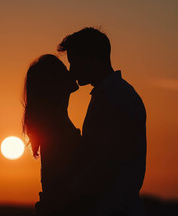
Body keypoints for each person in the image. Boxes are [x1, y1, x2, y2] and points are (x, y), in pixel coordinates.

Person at [57, 27, 147, 216]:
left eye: (74, 62)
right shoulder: (107, 95)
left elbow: (106, 162)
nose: (72, 71)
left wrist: (66, 196)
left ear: (92, 57)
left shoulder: (118, 97)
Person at [22, 54, 82, 216]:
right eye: (64, 70)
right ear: (53, 84)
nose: (70, 72)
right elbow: (62, 190)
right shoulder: (55, 131)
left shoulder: (56, 126)